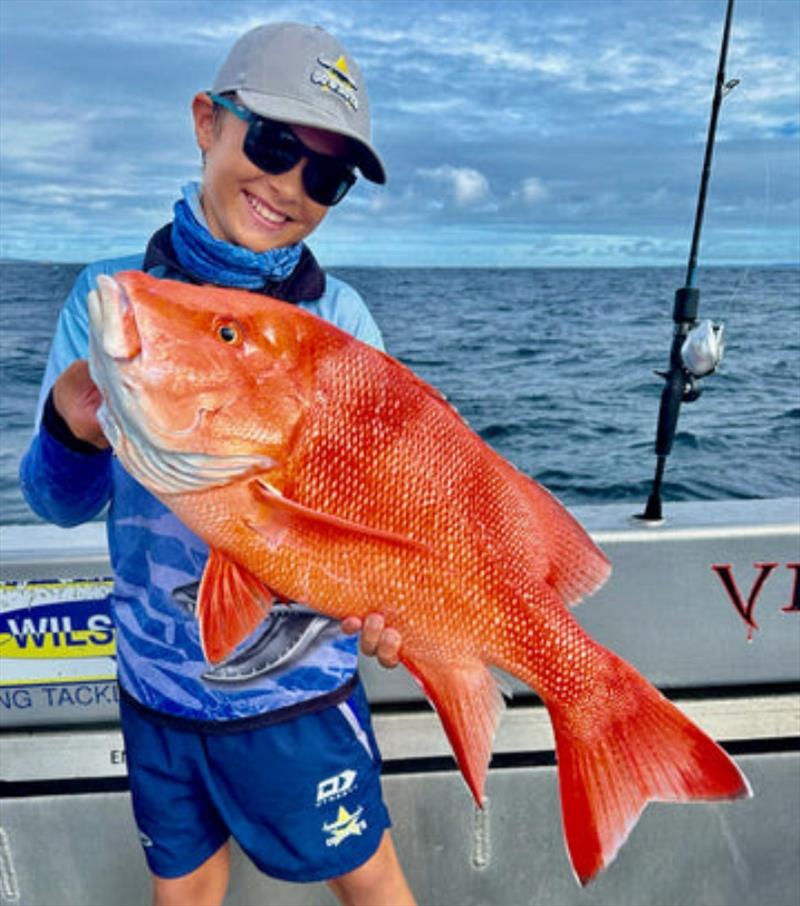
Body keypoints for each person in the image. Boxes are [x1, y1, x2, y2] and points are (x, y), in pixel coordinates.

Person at [20, 22, 415, 906]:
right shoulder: (114, 300)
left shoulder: (345, 325)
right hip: (155, 686)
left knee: (369, 873)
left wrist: (395, 604)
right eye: (274, 144)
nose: (289, 186)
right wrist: (70, 431)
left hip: (299, 696)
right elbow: (55, 504)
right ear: (207, 122)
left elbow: (382, 520)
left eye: (326, 175)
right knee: (185, 886)